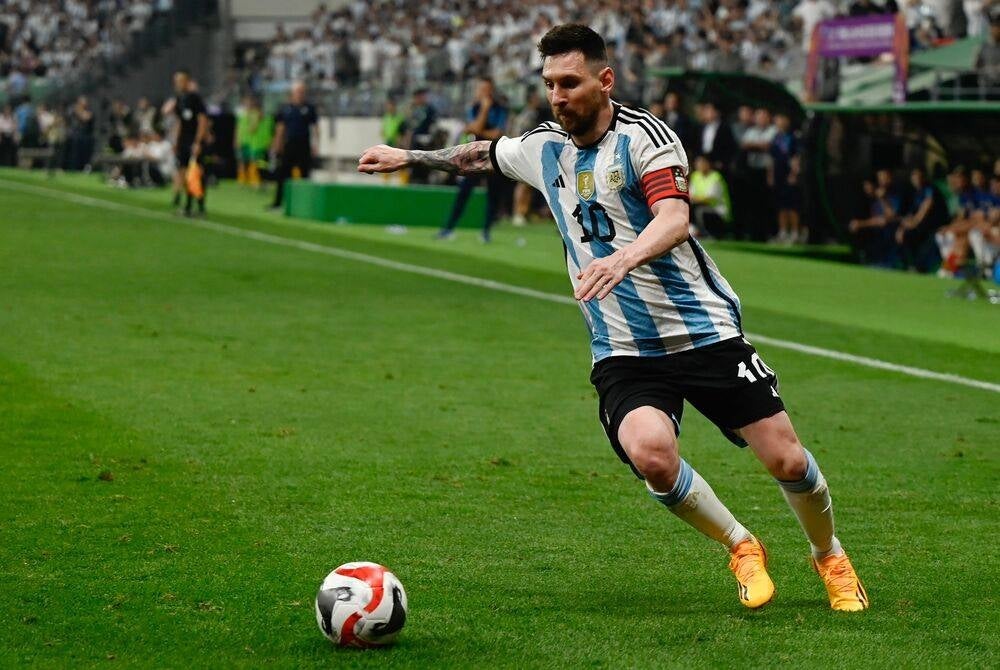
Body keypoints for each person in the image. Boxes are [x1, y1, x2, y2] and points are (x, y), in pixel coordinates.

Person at [358, 23, 868, 613]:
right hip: (624, 347)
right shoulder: (541, 146)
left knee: (786, 458)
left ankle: (828, 553)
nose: (557, 95)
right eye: (549, 83)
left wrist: (622, 258)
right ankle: (740, 545)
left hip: (702, 332)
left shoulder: (647, 138)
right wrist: (410, 156)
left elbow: (674, 218)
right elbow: (480, 153)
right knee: (651, 455)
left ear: (605, 80)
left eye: (569, 82)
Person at [436, 76, 509, 242]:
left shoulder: (500, 108)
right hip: (475, 156)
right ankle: (449, 228)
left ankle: (486, 232)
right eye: (481, 89)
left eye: (486, 89)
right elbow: (471, 129)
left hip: (493, 155)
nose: (483, 92)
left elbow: (496, 133)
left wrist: (478, 129)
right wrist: (483, 111)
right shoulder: (475, 107)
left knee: (493, 195)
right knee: (463, 193)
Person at [269, 80, 319, 210]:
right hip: (289, 144)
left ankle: (306, 205)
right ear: (293, 93)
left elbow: (315, 128)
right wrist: (277, 145)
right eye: (298, 92)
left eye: (302, 92)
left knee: (304, 175)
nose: (300, 94)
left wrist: (316, 145)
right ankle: (278, 203)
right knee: (283, 175)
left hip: (304, 145)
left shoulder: (309, 108)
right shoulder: (286, 108)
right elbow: (280, 128)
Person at [171, 69, 209, 216]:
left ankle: (200, 206)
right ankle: (187, 206)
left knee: (196, 172)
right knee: (185, 171)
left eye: (180, 81)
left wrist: (198, 142)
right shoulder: (180, 99)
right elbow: (180, 121)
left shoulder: (195, 98)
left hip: (194, 141)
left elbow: (202, 120)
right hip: (183, 141)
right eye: (176, 81)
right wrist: (176, 141)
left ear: (187, 81)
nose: (177, 84)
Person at [689, 154, 731, 238]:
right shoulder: (695, 176)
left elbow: (709, 199)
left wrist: (694, 199)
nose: (699, 165)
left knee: (700, 211)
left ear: (708, 164)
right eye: (697, 162)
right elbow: (690, 195)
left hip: (718, 212)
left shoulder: (716, 177)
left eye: (702, 162)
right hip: (700, 206)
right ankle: (694, 231)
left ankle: (708, 234)